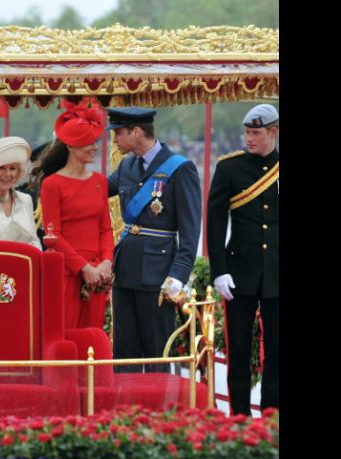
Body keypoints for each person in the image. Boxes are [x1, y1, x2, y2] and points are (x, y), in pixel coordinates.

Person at [106, 107, 201, 373]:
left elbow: (190, 230)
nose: (114, 140)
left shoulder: (180, 169)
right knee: (124, 354)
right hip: (125, 271)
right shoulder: (126, 166)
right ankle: (125, 412)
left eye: (118, 133)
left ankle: (158, 413)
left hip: (158, 275)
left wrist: (178, 276)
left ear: (137, 132)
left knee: (157, 351)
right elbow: (96, 191)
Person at [207, 104, 279, 415]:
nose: (249, 139)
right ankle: (238, 417)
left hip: (276, 273)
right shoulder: (229, 168)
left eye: (256, 133)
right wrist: (219, 270)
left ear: (273, 133)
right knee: (238, 349)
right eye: (247, 132)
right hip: (238, 273)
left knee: (276, 351)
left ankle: (271, 416)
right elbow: (215, 221)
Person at [38, 101, 113, 329]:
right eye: (88, 143)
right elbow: (53, 235)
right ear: (71, 146)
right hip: (67, 272)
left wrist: (106, 262)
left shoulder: (100, 181)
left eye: (95, 142)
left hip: (97, 275)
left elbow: (105, 228)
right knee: (66, 334)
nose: (94, 147)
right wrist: (83, 267)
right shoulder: (52, 184)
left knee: (93, 335)